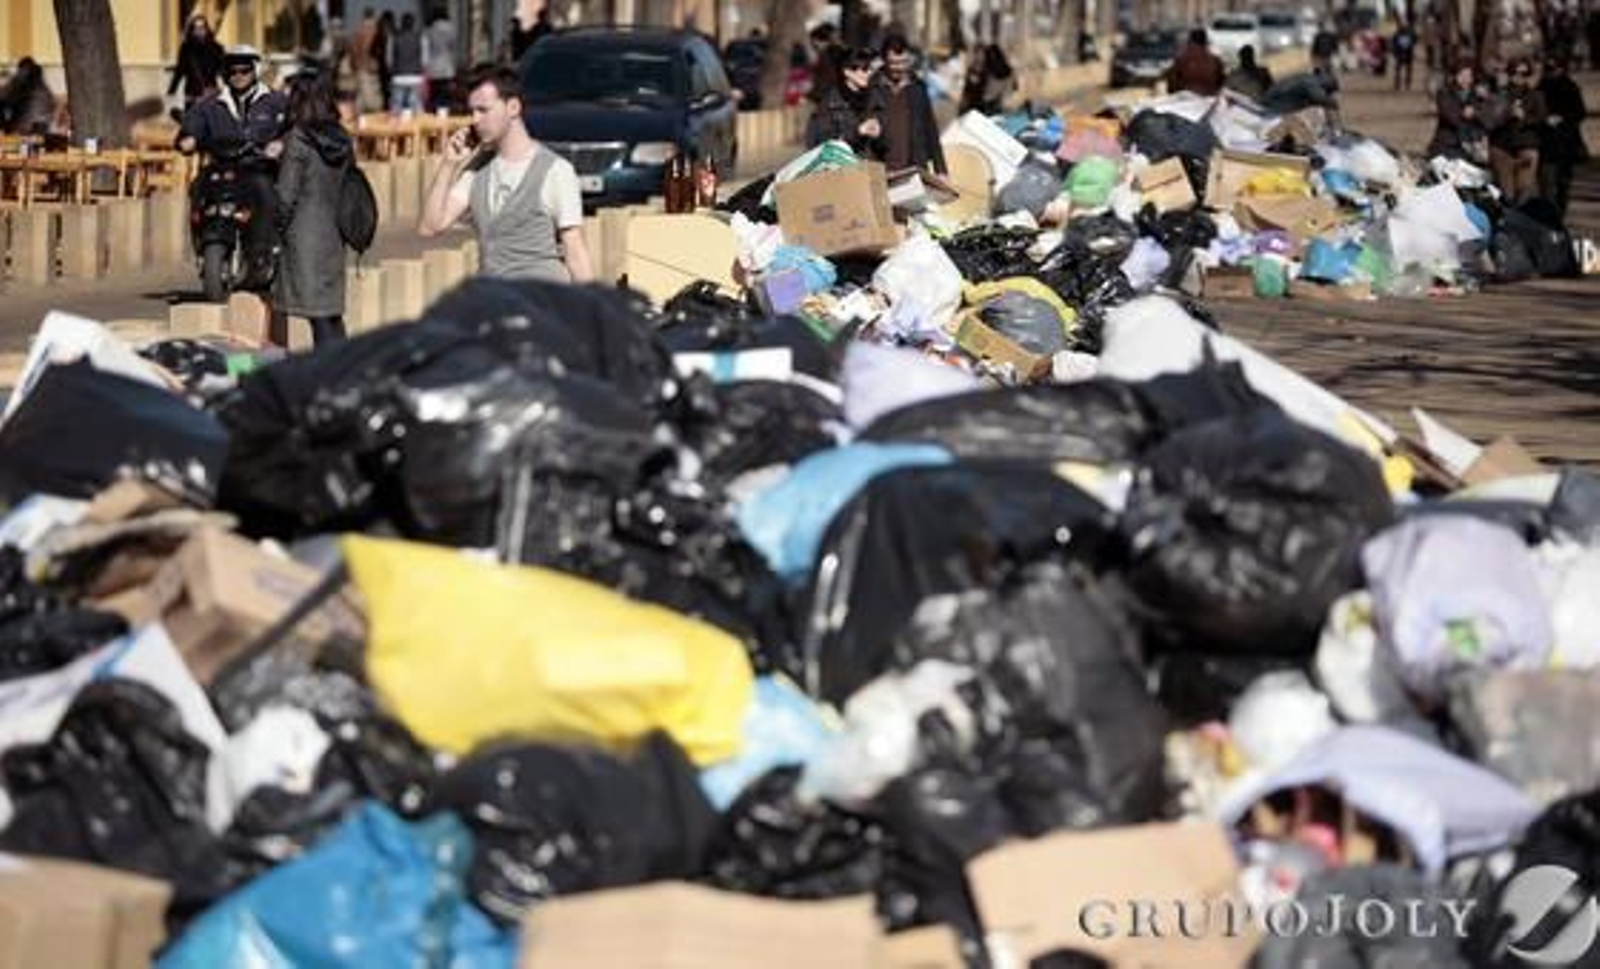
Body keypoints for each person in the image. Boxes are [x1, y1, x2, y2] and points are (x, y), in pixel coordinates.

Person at [418, 64, 594, 283]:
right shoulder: (477, 168)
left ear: (513, 107)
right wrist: (448, 165)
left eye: (483, 110)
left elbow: (575, 250)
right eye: (472, 111)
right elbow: (430, 226)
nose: (475, 120)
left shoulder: (556, 171)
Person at [177, 46, 289, 288]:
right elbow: (192, 125)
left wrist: (281, 143)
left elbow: (295, 126)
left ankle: (267, 249)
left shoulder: (275, 101)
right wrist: (188, 138)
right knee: (198, 187)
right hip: (221, 166)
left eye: (244, 70)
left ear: (255, 71)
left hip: (257, 169)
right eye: (233, 71)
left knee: (268, 195)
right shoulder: (210, 103)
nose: (238, 75)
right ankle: (201, 243)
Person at [271, 73, 356, 348]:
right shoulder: (342, 137)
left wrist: (277, 230)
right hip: (333, 234)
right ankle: (342, 370)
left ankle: (327, 374)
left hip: (302, 236)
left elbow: (285, 194)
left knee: (316, 317)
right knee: (331, 315)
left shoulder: (298, 139)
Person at [874, 35, 946, 174]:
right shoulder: (872, 87)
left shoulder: (918, 88)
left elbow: (931, 130)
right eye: (894, 63)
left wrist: (941, 170)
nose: (899, 68)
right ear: (884, 61)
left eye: (904, 62)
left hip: (913, 169)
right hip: (880, 170)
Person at [1489, 58, 1546, 205]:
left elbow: (1541, 118)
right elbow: (1491, 120)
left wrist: (1524, 118)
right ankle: (1507, 223)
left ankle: (1521, 224)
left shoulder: (1536, 95)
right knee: (1507, 195)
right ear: (1509, 74)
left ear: (1529, 75)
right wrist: (1509, 114)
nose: (1519, 76)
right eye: (1515, 72)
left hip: (1527, 147)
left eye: (1524, 73)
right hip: (1502, 148)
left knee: (1525, 191)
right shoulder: (1501, 95)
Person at [805, 48, 882, 152]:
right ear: (847, 72)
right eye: (864, 69)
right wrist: (857, 132)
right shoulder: (829, 102)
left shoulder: (876, 98)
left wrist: (880, 134)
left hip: (870, 166)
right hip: (842, 166)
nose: (868, 73)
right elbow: (817, 140)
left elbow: (888, 142)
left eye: (870, 69)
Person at [1538, 58, 1588, 218]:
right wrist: (1544, 118)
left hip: (1566, 144)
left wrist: (1562, 118)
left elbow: (1580, 112)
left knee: (1563, 184)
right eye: (1549, 69)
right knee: (1547, 185)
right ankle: (1551, 217)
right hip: (1546, 145)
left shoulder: (1570, 87)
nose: (1553, 72)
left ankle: (1559, 216)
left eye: (1555, 69)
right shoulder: (1541, 87)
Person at [1428, 61, 1489, 161]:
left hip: (1473, 146)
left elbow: (1486, 119)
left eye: (1469, 76)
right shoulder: (1445, 92)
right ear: (1455, 76)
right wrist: (1465, 113)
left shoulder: (1477, 95)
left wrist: (1483, 102)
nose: (1465, 79)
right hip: (1449, 144)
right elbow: (1452, 116)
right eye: (1462, 75)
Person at [168, 15, 225, 110]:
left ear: (206, 29)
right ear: (192, 30)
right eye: (196, 28)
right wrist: (172, 89)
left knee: (209, 120)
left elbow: (223, 69)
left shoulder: (216, 48)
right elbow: (180, 69)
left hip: (210, 91)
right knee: (192, 120)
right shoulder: (186, 48)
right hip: (192, 91)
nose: (199, 31)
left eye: (202, 27)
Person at [0, 58, 55, 136]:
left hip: (25, 126)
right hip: (44, 125)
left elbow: (5, 95)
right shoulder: (43, 85)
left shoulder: (23, 76)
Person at [959, 44, 1016, 115]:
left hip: (986, 108)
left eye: (980, 62)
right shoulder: (1009, 73)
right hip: (991, 107)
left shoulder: (987, 74)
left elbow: (987, 97)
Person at [1167, 28, 1226, 97]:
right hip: (1209, 98)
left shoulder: (1181, 59)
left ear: (1190, 42)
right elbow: (1221, 82)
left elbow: (1173, 83)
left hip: (1185, 98)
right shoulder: (1215, 60)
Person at [388, 13, 426, 112]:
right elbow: (425, 59)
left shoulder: (394, 37)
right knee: (416, 105)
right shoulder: (420, 38)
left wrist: (391, 70)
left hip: (398, 75)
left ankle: (396, 126)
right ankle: (418, 126)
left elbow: (389, 59)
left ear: (401, 23)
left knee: (396, 105)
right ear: (413, 24)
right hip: (415, 76)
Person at [350, 9, 383, 113]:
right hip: (375, 67)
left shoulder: (358, 31)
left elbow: (353, 50)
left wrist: (354, 65)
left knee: (361, 95)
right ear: (373, 16)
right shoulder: (378, 30)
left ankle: (359, 122)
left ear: (363, 16)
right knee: (374, 98)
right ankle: (373, 122)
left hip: (361, 67)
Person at [425, 10, 459, 112]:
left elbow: (426, 48)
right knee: (446, 94)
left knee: (434, 94)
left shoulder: (429, 30)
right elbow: (453, 45)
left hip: (433, 65)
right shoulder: (451, 28)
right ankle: (444, 113)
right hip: (447, 65)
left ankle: (435, 113)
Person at [375, 12, 396, 108]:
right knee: (391, 91)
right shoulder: (395, 32)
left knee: (385, 91)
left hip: (383, 66)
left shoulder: (379, 33)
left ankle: (387, 108)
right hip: (392, 67)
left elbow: (373, 50)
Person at [1391, 19, 1417, 91]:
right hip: (1400, 53)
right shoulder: (1397, 34)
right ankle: (1398, 84)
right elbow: (1393, 43)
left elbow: (1414, 40)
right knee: (1399, 70)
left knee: (1407, 70)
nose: (1403, 27)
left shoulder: (1410, 33)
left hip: (1408, 53)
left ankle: (1406, 84)